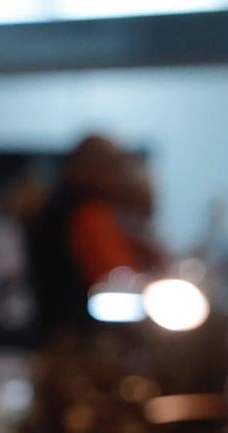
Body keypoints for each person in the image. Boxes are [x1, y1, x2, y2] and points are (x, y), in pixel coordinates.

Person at [25, 133, 162, 340]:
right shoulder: (89, 215)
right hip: (81, 338)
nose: (118, 174)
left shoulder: (62, 206)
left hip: (59, 329)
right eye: (112, 165)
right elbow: (116, 276)